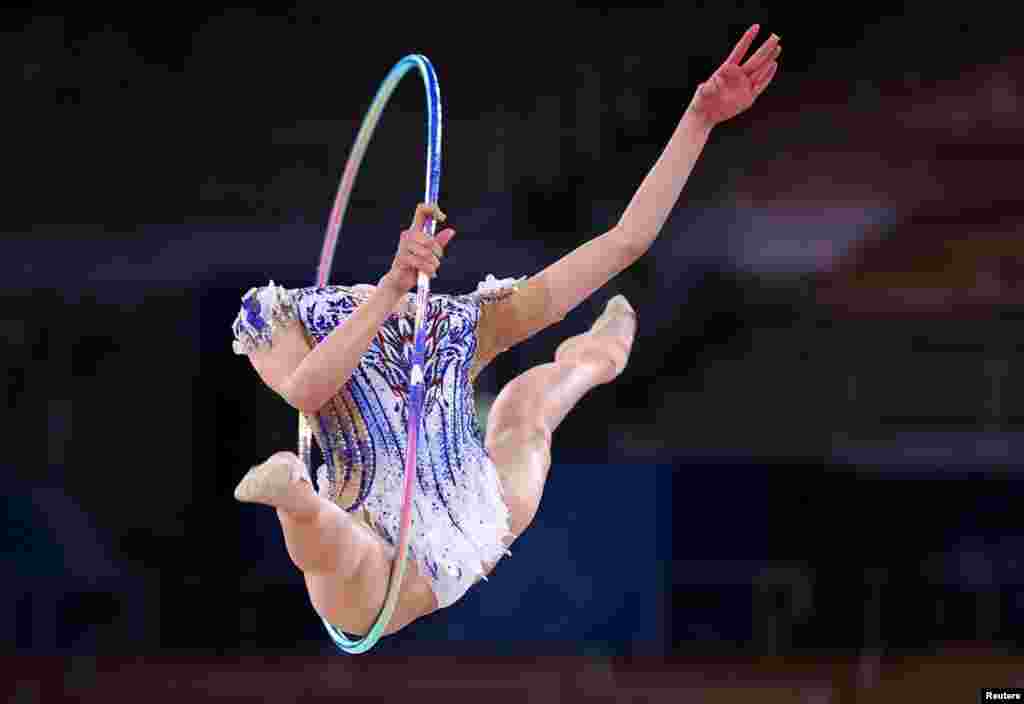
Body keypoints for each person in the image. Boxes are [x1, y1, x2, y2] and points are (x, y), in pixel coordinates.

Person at [231, 25, 781, 638]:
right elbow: (307, 391)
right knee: (348, 560)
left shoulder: (456, 323)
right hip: (381, 557)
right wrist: (389, 289)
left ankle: (598, 356)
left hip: (470, 512)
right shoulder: (279, 317)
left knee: (525, 414)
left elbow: (624, 241)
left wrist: (698, 120)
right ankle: (296, 498)